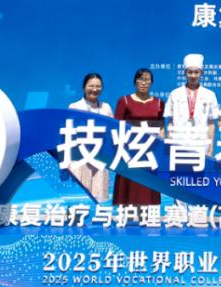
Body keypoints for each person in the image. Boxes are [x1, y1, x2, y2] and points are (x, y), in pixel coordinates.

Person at [112, 68, 165, 206]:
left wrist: (161, 149)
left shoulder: (159, 103)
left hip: (150, 153)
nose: (143, 82)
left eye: (147, 80)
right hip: (130, 152)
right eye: (140, 79)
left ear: (151, 82)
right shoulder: (124, 101)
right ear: (135, 82)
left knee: (148, 189)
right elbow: (116, 127)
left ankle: (147, 215)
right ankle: (127, 215)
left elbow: (161, 128)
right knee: (129, 191)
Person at [67, 73, 113, 202]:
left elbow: (112, 134)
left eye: (98, 86)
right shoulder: (74, 107)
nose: (94, 89)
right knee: (79, 199)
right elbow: (69, 136)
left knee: (99, 198)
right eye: (91, 86)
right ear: (84, 87)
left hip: (100, 158)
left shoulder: (106, 108)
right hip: (80, 159)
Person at [164, 53, 219, 154]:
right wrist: (169, 142)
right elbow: (170, 121)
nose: (193, 76)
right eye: (190, 72)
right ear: (185, 73)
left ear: (201, 73)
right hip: (178, 142)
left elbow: (211, 124)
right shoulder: (175, 94)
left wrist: (211, 148)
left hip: (201, 144)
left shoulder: (210, 95)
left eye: (196, 72)